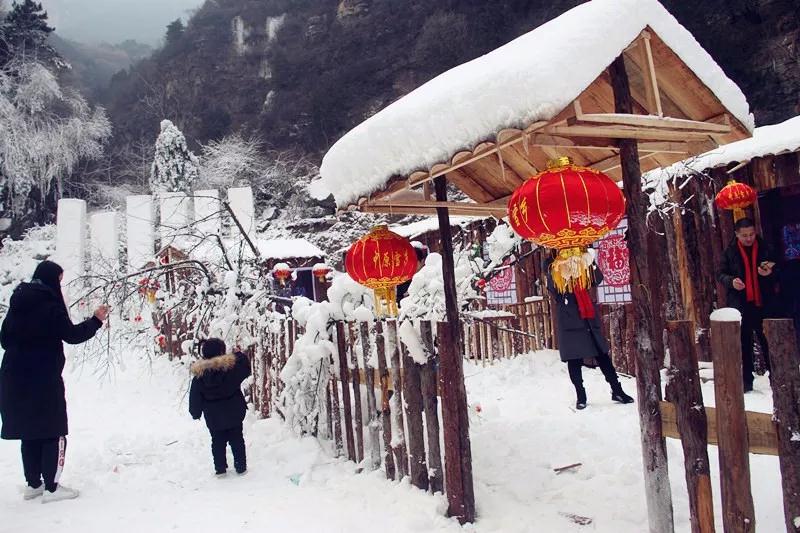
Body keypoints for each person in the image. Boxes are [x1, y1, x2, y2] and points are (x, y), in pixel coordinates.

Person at [0, 260, 108, 503]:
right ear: (52, 280)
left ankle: (33, 484)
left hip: (13, 377)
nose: (60, 285)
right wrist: (96, 320)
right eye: (59, 280)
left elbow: (4, 339)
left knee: (29, 431)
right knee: (53, 430)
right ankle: (52, 487)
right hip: (43, 378)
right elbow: (72, 335)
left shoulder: (17, 302)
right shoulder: (49, 304)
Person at [546, 257, 633, 410]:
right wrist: (557, 267)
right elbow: (553, 289)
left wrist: (588, 260)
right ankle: (581, 395)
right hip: (570, 320)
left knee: (602, 355)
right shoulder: (553, 264)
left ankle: (617, 390)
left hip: (587, 318)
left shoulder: (580, 260)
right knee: (574, 359)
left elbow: (597, 279)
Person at [717, 218, 777, 392]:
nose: (749, 238)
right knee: (743, 344)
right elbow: (720, 274)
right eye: (744, 235)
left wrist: (769, 272)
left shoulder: (766, 248)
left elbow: (778, 269)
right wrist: (731, 281)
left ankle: (777, 378)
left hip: (763, 303)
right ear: (737, 234)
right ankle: (745, 382)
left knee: (769, 342)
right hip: (741, 304)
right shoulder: (729, 252)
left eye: (751, 234)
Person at [189, 338, 251, 477]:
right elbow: (245, 368)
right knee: (237, 439)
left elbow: (195, 397)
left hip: (213, 416)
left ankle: (220, 468)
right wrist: (238, 354)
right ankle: (241, 466)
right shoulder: (230, 369)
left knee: (217, 441)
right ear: (222, 352)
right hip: (234, 412)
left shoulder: (199, 376)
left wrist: (195, 413)